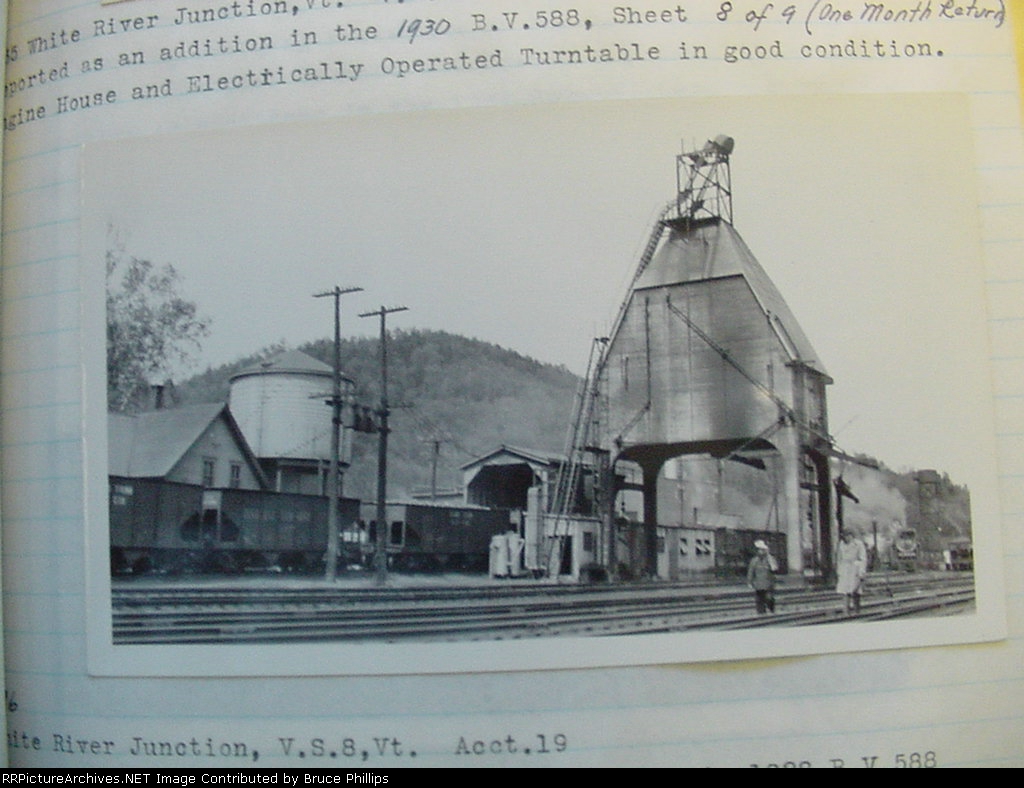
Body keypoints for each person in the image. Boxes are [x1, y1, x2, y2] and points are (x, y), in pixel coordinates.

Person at [836, 529, 868, 616]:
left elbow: (863, 558)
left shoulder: (858, 544)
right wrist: (839, 571)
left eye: (848, 536)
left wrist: (862, 571)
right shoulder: (841, 544)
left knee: (855, 591)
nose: (846, 538)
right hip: (844, 569)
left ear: (851, 536)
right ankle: (846, 611)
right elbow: (839, 558)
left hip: (855, 568)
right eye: (844, 536)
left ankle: (857, 611)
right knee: (845, 591)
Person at [747, 540, 777, 615]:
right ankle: (761, 614)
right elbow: (751, 571)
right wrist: (749, 582)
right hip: (758, 585)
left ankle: (771, 610)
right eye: (759, 550)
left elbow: (774, 568)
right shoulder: (754, 560)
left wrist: (769, 556)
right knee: (759, 600)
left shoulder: (770, 559)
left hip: (768, 584)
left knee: (769, 599)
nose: (760, 552)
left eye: (762, 550)